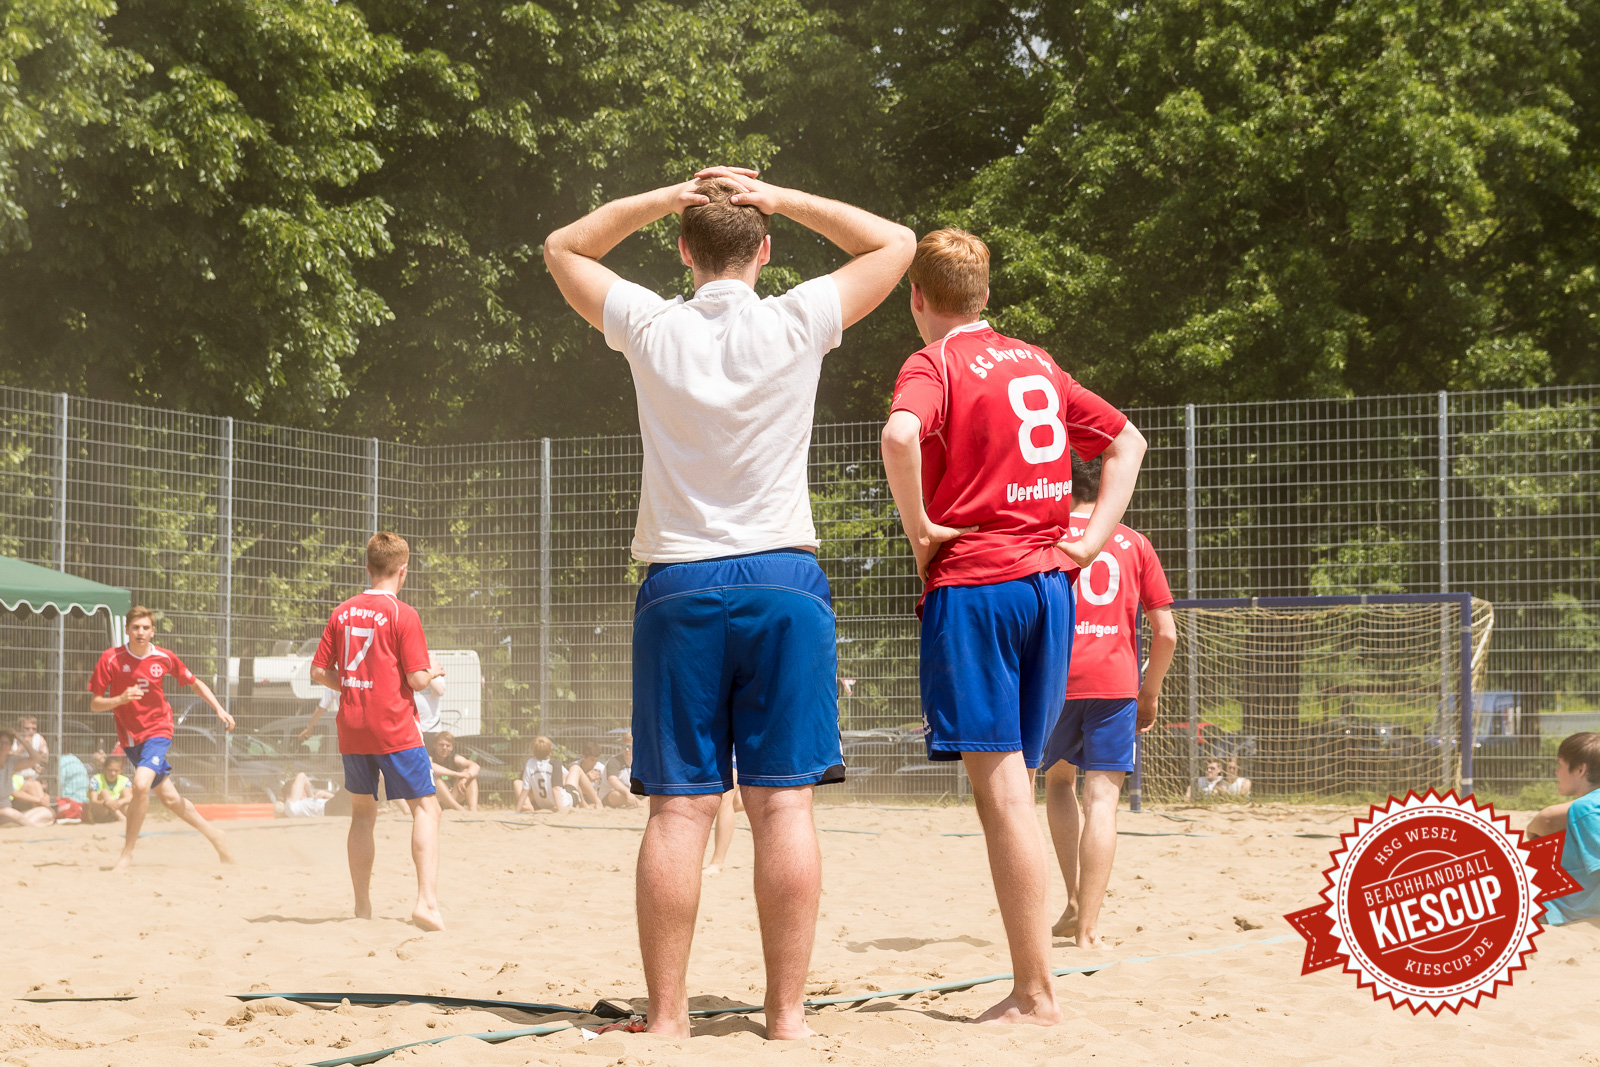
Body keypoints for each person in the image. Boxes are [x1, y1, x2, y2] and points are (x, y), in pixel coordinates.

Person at [544, 164, 913, 1039]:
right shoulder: (796, 317)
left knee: (679, 809)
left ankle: (667, 1017)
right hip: (783, 581)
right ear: (766, 249)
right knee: (784, 804)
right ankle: (786, 1017)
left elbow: (563, 246)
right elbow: (894, 243)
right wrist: (785, 195)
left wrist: (664, 195)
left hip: (679, 582)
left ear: (681, 250)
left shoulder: (650, 322)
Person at [880, 228, 1145, 1025]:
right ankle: (1039, 977)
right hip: (1050, 586)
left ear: (917, 297)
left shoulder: (932, 363)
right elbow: (1127, 438)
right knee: (1022, 784)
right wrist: (1094, 536)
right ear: (987, 295)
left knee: (1004, 797)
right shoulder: (1035, 359)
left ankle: (1034, 991)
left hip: (979, 585)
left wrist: (920, 528)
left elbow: (899, 435)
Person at [1039, 454, 1175, 946]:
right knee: (1104, 801)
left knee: (1058, 785)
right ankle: (1089, 928)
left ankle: (1073, 902)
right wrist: (1150, 693)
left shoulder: (1047, 535)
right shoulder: (1134, 541)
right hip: (1115, 683)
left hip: (1055, 677)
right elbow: (1166, 634)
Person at [309, 531, 448, 931]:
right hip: (393, 725)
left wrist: (352, 686)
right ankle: (426, 903)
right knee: (427, 808)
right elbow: (418, 680)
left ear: (367, 567)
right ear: (403, 570)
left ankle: (362, 907)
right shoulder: (403, 613)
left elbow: (319, 671)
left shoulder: (342, 611)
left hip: (352, 725)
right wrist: (433, 671)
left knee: (362, 814)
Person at [87, 605, 235, 871]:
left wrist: (219, 709)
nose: (141, 632)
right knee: (169, 799)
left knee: (141, 785)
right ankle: (216, 836)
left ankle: (126, 856)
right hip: (131, 739)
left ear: (152, 631)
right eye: (136, 628)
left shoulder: (164, 658)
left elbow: (195, 682)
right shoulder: (111, 659)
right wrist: (119, 699)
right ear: (127, 630)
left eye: (145, 628)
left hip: (159, 730)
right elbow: (95, 704)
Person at [1524, 731, 1600, 926]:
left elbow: (1546, 819)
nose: (1557, 772)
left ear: (1581, 770)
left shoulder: (1585, 809)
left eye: (1561, 765)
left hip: (1559, 908)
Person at [0, 729, 52, 827]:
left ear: (10, 746)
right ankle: (34, 827)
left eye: (6, 743)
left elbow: (36, 759)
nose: (2, 745)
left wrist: (20, 738)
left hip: (12, 814)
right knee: (10, 813)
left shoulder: (10, 763)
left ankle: (22, 825)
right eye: (0, 742)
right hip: (5, 813)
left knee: (46, 812)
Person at [513, 736, 575, 813]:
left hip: (542, 804)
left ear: (533, 751)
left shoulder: (530, 763)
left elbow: (525, 790)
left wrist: (517, 810)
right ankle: (586, 803)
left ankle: (528, 805)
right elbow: (556, 789)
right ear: (551, 750)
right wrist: (561, 810)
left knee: (517, 782)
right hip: (563, 802)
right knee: (576, 770)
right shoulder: (555, 763)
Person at [704, 775, 745, 877]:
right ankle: (767, 803)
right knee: (735, 802)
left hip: (733, 759)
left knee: (725, 798)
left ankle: (717, 863)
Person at [429, 732, 479, 812]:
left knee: (469, 774)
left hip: (453, 796)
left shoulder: (454, 758)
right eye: (441, 745)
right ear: (434, 745)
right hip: (436, 800)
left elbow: (475, 766)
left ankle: (473, 811)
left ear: (451, 747)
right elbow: (429, 767)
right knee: (435, 778)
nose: (444, 748)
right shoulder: (429, 756)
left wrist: (465, 778)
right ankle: (459, 809)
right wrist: (456, 774)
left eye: (448, 746)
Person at [87, 754, 133, 822]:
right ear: (104, 768)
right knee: (104, 792)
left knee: (126, 791)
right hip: (102, 811)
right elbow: (93, 801)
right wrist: (105, 803)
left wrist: (119, 802)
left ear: (120, 770)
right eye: (110, 770)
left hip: (118, 807)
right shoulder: (96, 779)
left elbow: (131, 797)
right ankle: (119, 816)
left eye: (116, 770)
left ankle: (120, 816)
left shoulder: (125, 780)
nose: (113, 773)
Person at [602, 734, 642, 809]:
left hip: (635, 795)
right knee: (615, 795)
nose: (627, 750)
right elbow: (612, 780)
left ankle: (640, 804)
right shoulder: (614, 761)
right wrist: (627, 792)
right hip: (615, 794)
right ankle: (640, 804)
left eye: (630, 747)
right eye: (624, 747)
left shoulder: (641, 762)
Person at [565, 740, 605, 810]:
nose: (594, 763)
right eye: (592, 760)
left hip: (594, 798)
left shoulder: (601, 768)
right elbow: (570, 787)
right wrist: (586, 779)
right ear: (583, 757)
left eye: (596, 760)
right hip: (579, 797)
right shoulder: (574, 766)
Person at [11, 716, 47, 781]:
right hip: (16, 777)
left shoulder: (39, 738)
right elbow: (8, 760)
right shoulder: (13, 740)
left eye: (34, 729)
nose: (31, 731)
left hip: (34, 778)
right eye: (27, 729)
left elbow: (45, 758)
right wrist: (22, 747)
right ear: (19, 728)